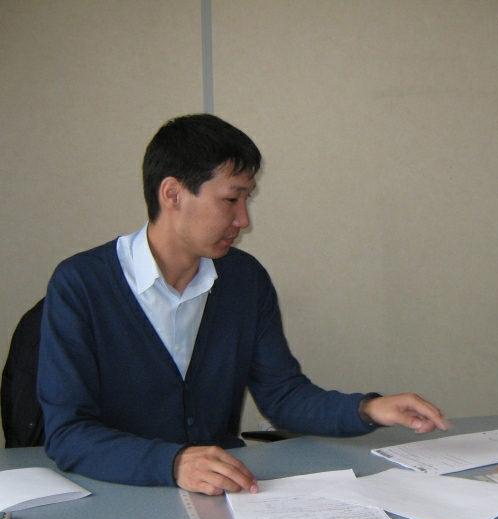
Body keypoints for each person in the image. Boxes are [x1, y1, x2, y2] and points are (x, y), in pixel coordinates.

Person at [39, 113, 448, 496]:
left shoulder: (244, 280)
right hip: (121, 497)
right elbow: (68, 433)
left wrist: (369, 409)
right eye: (230, 200)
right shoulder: (81, 284)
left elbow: (283, 397)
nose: (243, 220)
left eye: (246, 199)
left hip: (224, 494)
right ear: (172, 194)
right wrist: (173, 462)